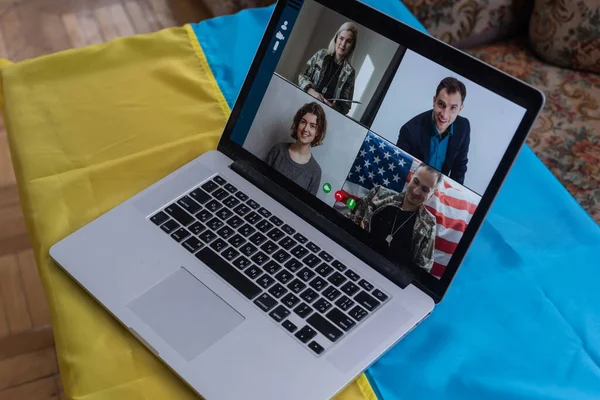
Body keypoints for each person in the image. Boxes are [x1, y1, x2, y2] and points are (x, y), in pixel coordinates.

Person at [348, 164, 441, 272]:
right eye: (416, 181)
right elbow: (348, 223)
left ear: (433, 194)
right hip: (355, 256)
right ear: (411, 176)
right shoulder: (378, 194)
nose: (416, 191)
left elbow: (422, 270)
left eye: (425, 189)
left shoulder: (429, 224)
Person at [396, 77, 470, 184]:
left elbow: (459, 167)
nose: (444, 115)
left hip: (440, 191)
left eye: (453, 108)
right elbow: (400, 171)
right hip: (413, 186)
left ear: (460, 109)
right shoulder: (409, 130)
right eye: (441, 104)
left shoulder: (464, 127)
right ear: (434, 101)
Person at [265, 102, 327, 195]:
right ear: (298, 124)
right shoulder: (278, 149)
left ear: (317, 132)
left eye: (312, 126)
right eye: (303, 122)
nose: (306, 129)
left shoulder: (315, 172)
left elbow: (303, 207)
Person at [298, 22, 358, 115]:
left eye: (348, 41)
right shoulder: (321, 55)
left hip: (325, 115)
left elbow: (346, 107)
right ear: (336, 39)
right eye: (341, 38)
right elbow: (302, 76)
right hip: (305, 104)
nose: (343, 44)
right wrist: (311, 91)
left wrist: (335, 108)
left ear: (352, 47)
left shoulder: (350, 73)